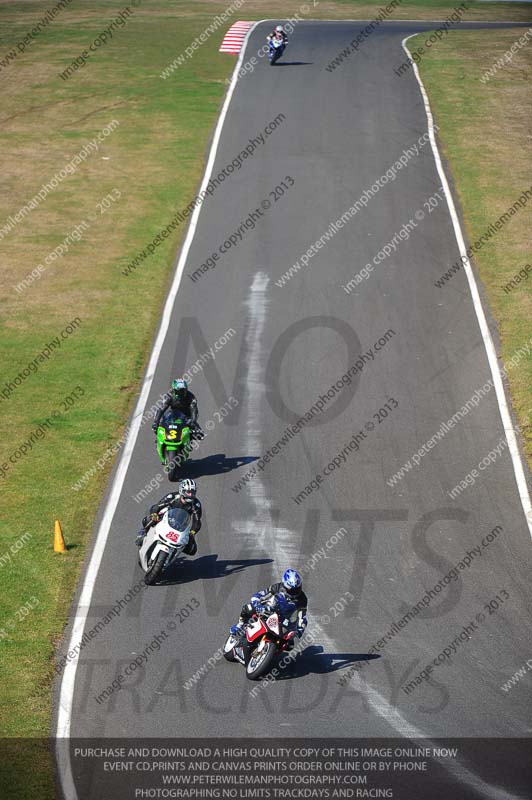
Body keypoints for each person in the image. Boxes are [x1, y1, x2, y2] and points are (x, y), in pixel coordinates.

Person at [230, 569, 308, 648]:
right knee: (248, 608)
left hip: (285, 621)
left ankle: (271, 651)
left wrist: (299, 632)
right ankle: (240, 625)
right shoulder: (277, 587)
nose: (295, 592)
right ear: (285, 585)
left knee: (289, 645)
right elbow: (260, 595)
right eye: (291, 590)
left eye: (297, 589)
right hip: (268, 610)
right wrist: (257, 604)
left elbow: (303, 618)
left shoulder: (302, 599)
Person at [135, 478, 202, 555]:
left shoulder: (196, 504)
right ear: (182, 491)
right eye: (188, 492)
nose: (191, 495)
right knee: (149, 519)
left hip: (181, 525)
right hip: (165, 518)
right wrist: (154, 514)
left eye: (193, 492)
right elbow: (157, 506)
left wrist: (192, 532)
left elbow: (197, 521)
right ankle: (143, 532)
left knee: (192, 550)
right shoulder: (172, 496)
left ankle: (176, 552)